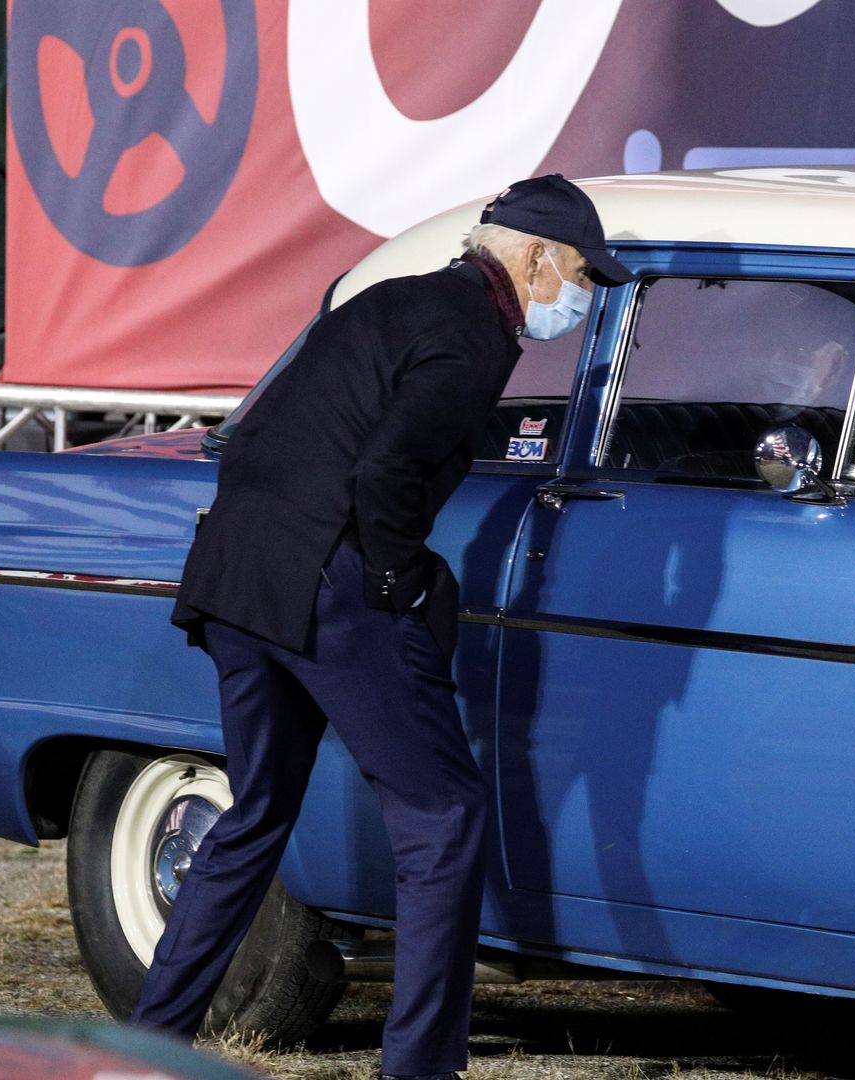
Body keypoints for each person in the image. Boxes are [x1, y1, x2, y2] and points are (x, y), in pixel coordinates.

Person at [131, 174, 634, 1079]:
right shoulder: (476, 334)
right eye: (582, 275)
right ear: (532, 257)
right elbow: (385, 473)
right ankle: (419, 1068)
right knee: (444, 816)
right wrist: (403, 584)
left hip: (238, 577)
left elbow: (259, 434)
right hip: (331, 580)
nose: (584, 296)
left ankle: (146, 1042)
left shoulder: (390, 300)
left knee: (255, 815)